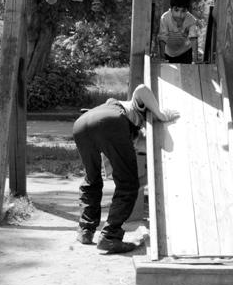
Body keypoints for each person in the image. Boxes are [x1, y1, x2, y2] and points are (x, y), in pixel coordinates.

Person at [73, 84, 179, 254]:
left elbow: (117, 179)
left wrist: (146, 179)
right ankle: (110, 237)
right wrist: (161, 114)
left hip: (81, 124)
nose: (136, 150)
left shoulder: (118, 127)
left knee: (92, 179)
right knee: (128, 185)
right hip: (110, 122)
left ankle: (85, 230)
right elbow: (142, 88)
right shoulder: (138, 108)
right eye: (140, 150)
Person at [158, 0, 199, 64]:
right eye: (176, 10)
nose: (179, 15)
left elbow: (193, 39)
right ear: (171, 8)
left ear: (187, 10)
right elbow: (162, 39)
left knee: (186, 70)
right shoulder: (165, 18)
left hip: (185, 52)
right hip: (168, 53)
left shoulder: (191, 20)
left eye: (183, 11)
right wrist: (162, 57)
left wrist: (195, 60)